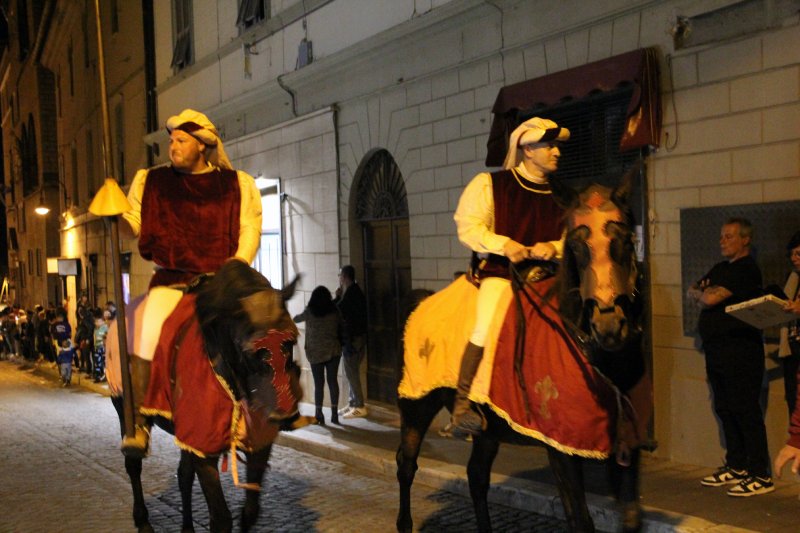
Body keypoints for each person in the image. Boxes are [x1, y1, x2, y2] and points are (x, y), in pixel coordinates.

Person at [116, 108, 262, 457]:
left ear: (201, 145)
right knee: (147, 332)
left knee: (259, 330)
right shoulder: (152, 182)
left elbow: (249, 228)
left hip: (219, 282)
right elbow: (133, 224)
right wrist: (115, 217)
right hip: (171, 282)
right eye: (171, 140)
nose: (173, 146)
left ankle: (261, 411)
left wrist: (238, 266)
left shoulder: (236, 184)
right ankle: (139, 421)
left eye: (181, 140)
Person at [450, 117, 569, 435]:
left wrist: (554, 247)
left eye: (557, 146)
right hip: (503, 275)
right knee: (485, 327)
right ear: (528, 150)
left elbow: (573, 236)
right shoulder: (492, 185)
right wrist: (504, 244)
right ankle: (462, 406)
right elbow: (468, 226)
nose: (557, 152)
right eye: (550, 146)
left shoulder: (563, 194)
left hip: (549, 277)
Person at [688, 218, 773, 497]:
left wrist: (704, 294)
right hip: (717, 351)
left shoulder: (746, 269)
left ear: (745, 239)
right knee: (724, 407)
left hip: (740, 351)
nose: (722, 241)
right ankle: (737, 465)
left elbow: (708, 299)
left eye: (729, 236)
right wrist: (703, 292)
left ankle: (760, 473)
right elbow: (693, 289)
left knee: (745, 409)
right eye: (721, 236)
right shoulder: (720, 268)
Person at [293, 286, 343, 425]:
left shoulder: (310, 312)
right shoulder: (334, 311)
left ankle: (319, 414)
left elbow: (296, 319)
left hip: (315, 352)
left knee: (318, 384)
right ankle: (334, 414)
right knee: (333, 381)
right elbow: (341, 324)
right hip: (333, 350)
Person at [335, 265, 368, 419]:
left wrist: (337, 297)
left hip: (353, 340)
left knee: (351, 373)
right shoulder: (355, 292)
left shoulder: (350, 294)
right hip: (358, 338)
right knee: (351, 372)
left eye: (340, 275)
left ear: (345, 276)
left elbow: (337, 310)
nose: (339, 278)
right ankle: (353, 403)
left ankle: (359, 406)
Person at [93, 308, 109, 383]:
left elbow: (106, 337)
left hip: (103, 347)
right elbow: (95, 338)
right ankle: (98, 376)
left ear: (103, 321)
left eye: (98, 321)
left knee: (103, 362)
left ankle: (104, 375)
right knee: (97, 362)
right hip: (97, 347)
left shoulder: (105, 328)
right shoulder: (96, 329)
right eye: (95, 321)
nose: (96, 323)